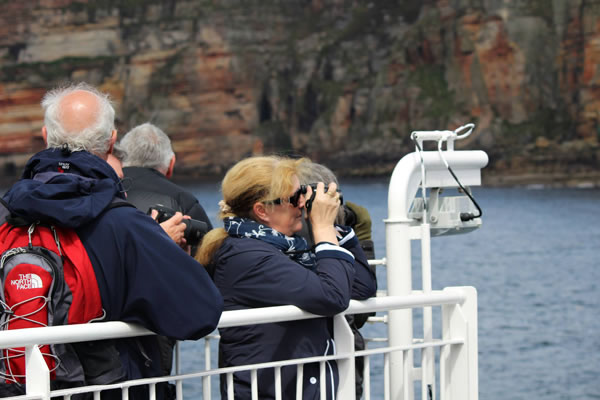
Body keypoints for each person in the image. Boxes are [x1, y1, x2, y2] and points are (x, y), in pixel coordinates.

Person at [0, 82, 223, 399]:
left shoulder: (6, 216)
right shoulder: (126, 224)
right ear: (112, 141)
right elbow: (201, 314)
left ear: (46, 137)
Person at [195, 155, 377, 399]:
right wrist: (322, 230)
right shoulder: (247, 256)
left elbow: (361, 288)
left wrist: (332, 225)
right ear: (262, 211)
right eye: (293, 198)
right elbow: (332, 296)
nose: (302, 203)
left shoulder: (289, 248)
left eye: (301, 192)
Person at [298, 161, 377, 400]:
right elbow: (357, 309)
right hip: (334, 362)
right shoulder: (297, 238)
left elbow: (364, 289)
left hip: (334, 364)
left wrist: (342, 229)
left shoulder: (337, 230)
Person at [119, 122, 212, 256]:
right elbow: (211, 260)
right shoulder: (183, 201)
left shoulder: (102, 191)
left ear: (120, 158)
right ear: (171, 164)